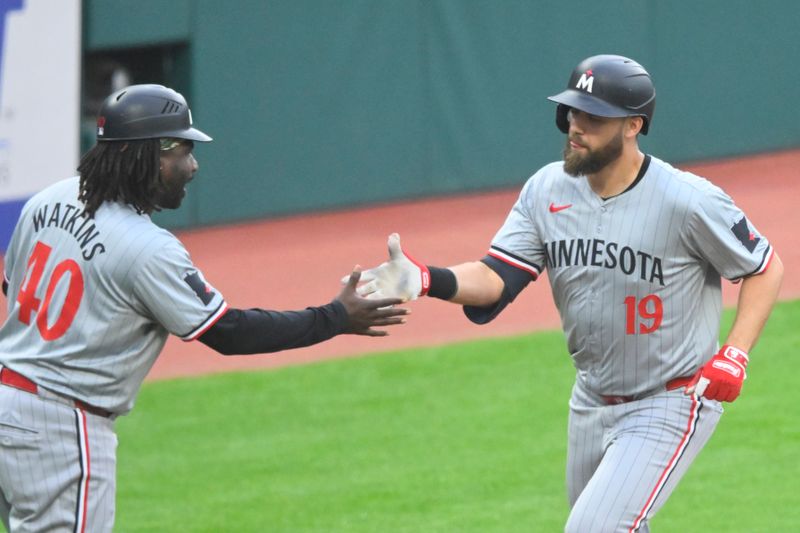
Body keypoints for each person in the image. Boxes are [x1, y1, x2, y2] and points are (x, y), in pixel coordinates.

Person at [355, 55, 784, 531]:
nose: (576, 126)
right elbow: (496, 276)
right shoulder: (546, 190)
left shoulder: (688, 200)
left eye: (593, 117)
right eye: (572, 112)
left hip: (670, 399)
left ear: (632, 126)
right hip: (590, 399)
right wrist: (427, 279)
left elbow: (764, 267)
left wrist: (735, 354)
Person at [0, 84, 408, 532]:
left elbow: (13, 288)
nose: (192, 167)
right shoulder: (147, 248)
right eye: (183, 151)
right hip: (60, 428)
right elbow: (229, 332)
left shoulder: (48, 199)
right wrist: (335, 317)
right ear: (151, 154)